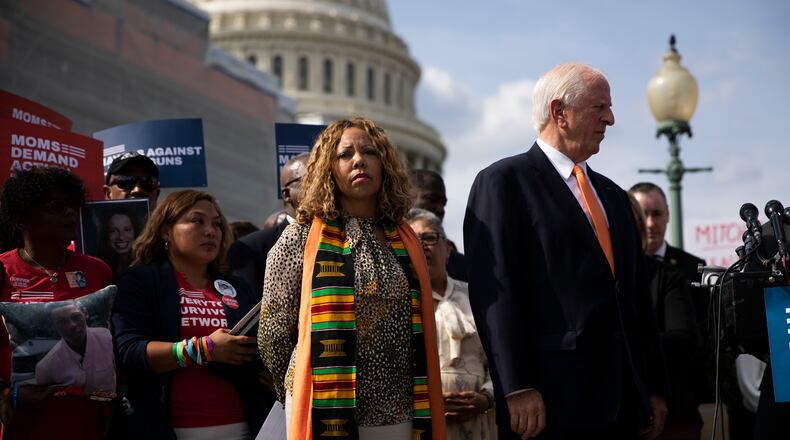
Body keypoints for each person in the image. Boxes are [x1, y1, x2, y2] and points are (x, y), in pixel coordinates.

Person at [464, 62, 668, 439]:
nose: (610, 118)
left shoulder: (614, 197)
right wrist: (517, 385)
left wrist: (653, 387)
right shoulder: (503, 183)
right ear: (560, 112)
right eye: (599, 107)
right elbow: (495, 296)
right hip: (549, 403)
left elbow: (636, 298)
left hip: (624, 403)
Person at [258, 117, 446, 439]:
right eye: (345, 155)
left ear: (384, 164)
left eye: (369, 152)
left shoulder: (405, 239)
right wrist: (295, 385)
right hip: (323, 404)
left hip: (397, 406)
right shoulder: (299, 239)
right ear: (328, 168)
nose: (359, 160)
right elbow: (273, 334)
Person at [112, 190, 270, 439]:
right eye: (197, 221)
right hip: (167, 429)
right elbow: (130, 351)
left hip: (243, 428)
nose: (211, 231)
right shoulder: (141, 281)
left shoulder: (237, 287)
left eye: (217, 224)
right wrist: (205, 349)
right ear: (166, 231)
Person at [0, 167, 114, 439]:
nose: (70, 213)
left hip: (85, 425)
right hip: (20, 427)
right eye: (56, 206)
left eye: (74, 205)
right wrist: (9, 396)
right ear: (21, 216)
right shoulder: (3, 270)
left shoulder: (99, 271)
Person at [406, 208, 496, 440]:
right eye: (415, 240)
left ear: (447, 250)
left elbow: (501, 358)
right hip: (422, 422)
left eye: (429, 238)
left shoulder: (478, 298)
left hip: (481, 423)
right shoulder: (400, 304)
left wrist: (486, 397)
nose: (423, 246)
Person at [628, 194, 703, 440]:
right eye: (641, 217)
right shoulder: (595, 274)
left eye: (656, 214)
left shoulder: (674, 273)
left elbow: (688, 340)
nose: (649, 224)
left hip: (673, 409)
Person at [228, 153, 309, 299]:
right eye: (311, 181)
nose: (321, 188)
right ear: (286, 194)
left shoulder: (344, 241)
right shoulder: (252, 248)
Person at [35, 301, 116, 394]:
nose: (72, 325)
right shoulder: (45, 368)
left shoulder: (108, 339)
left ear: (85, 314)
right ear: (53, 326)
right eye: (62, 322)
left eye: (76, 317)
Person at [409, 169, 467, 282]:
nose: (441, 209)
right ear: (405, 198)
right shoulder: (382, 252)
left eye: (443, 204)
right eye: (431, 199)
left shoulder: (461, 266)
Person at [97, 207, 142, 281]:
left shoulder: (148, 266)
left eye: (127, 229)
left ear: (135, 232)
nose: (121, 237)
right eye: (113, 231)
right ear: (105, 234)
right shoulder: (98, 268)